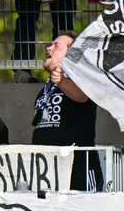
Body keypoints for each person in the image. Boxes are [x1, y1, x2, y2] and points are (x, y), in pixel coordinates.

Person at [32, 31, 103, 192]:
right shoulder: (46, 90)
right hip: (49, 172)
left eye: (56, 46)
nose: (48, 49)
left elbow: (81, 96)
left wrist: (62, 80)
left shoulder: (82, 79)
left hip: (78, 171)